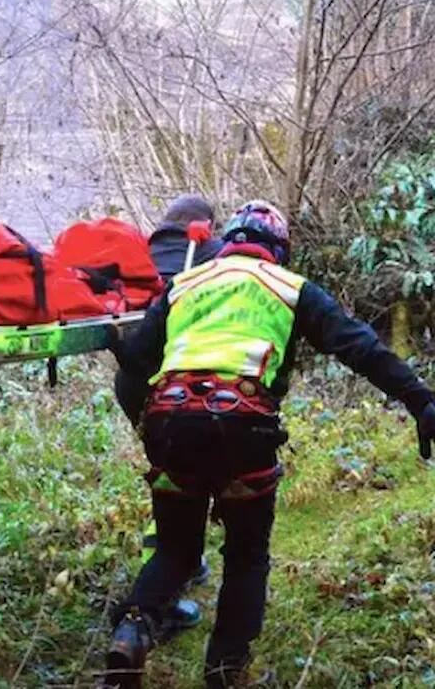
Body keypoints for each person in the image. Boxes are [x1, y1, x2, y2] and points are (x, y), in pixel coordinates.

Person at [106, 200, 435, 688]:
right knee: (245, 555)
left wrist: (148, 427)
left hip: (170, 423)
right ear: (278, 250)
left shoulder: (183, 285)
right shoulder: (290, 287)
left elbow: (134, 364)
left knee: (175, 549)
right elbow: (360, 347)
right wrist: (420, 401)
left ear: (227, 242)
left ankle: (131, 636)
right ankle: (223, 672)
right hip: (242, 427)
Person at [112, 195, 222, 635]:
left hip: (133, 383)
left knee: (168, 475)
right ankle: (166, 592)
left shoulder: (137, 254)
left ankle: (179, 562)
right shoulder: (214, 257)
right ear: (205, 225)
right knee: (185, 487)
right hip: (184, 386)